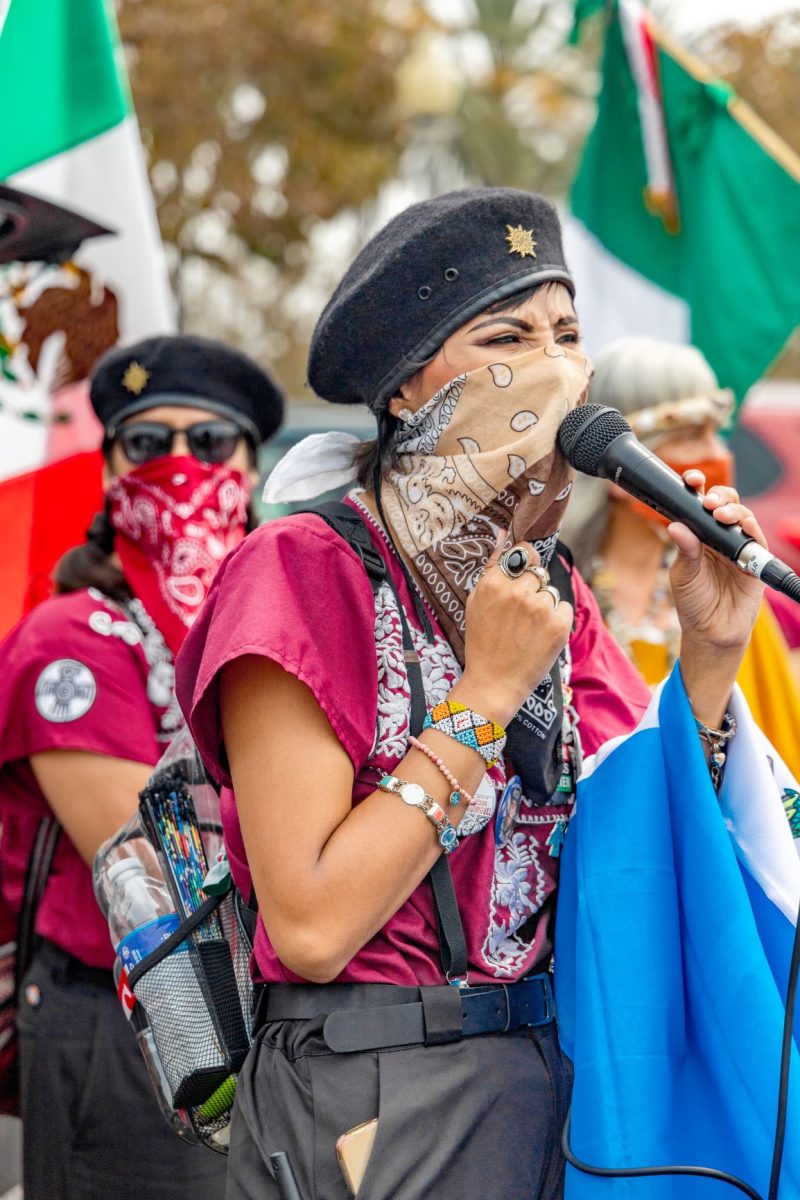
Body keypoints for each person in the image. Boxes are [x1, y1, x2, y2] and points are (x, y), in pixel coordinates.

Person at [176, 189, 769, 1199]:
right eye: (505, 335)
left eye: (567, 334)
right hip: (376, 1095)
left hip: (557, 1091)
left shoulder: (542, 584)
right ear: (406, 385)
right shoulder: (300, 571)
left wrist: (707, 661)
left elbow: (634, 824)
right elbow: (313, 926)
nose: (552, 365)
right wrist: (483, 694)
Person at [0, 333, 284, 1200]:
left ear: (249, 465)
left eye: (208, 443)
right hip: (131, 1021)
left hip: (278, 1020)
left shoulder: (279, 623)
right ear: (109, 469)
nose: (179, 465)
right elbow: (156, 869)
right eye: (146, 444)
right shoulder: (70, 639)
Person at [560, 335, 800, 781]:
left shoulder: (733, 599)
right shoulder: (560, 604)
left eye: (718, 431)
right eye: (692, 435)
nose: (718, 455)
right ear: (618, 466)